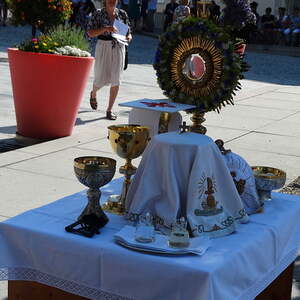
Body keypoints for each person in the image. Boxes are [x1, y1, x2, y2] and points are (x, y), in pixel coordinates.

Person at [87, 0, 132, 120]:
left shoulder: (122, 14)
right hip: (103, 46)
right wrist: (106, 28)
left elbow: (129, 32)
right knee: (100, 77)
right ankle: (93, 92)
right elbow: (90, 33)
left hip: (119, 47)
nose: (112, 1)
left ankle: (109, 110)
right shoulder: (98, 13)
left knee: (116, 79)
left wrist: (128, 37)